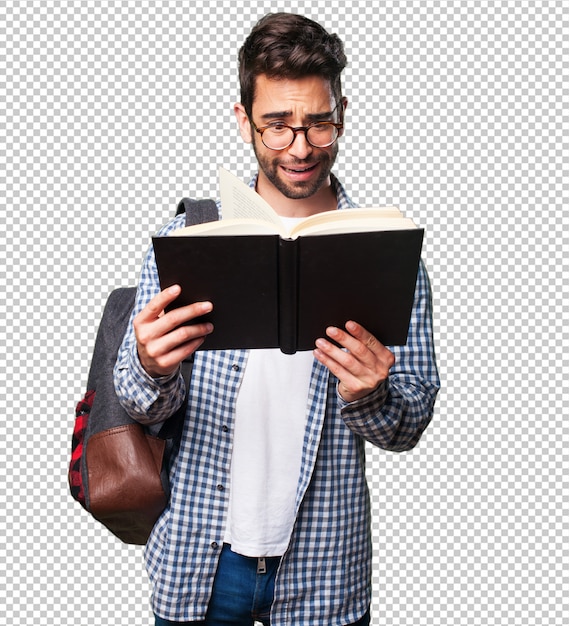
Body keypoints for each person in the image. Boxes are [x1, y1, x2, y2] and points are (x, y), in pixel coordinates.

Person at [114, 12, 440, 626]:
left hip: (324, 570)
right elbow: (135, 403)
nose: (300, 147)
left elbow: (409, 424)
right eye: (277, 126)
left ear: (343, 111)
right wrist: (151, 365)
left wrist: (372, 392)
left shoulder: (388, 253)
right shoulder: (188, 239)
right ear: (243, 122)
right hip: (198, 560)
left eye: (319, 123)